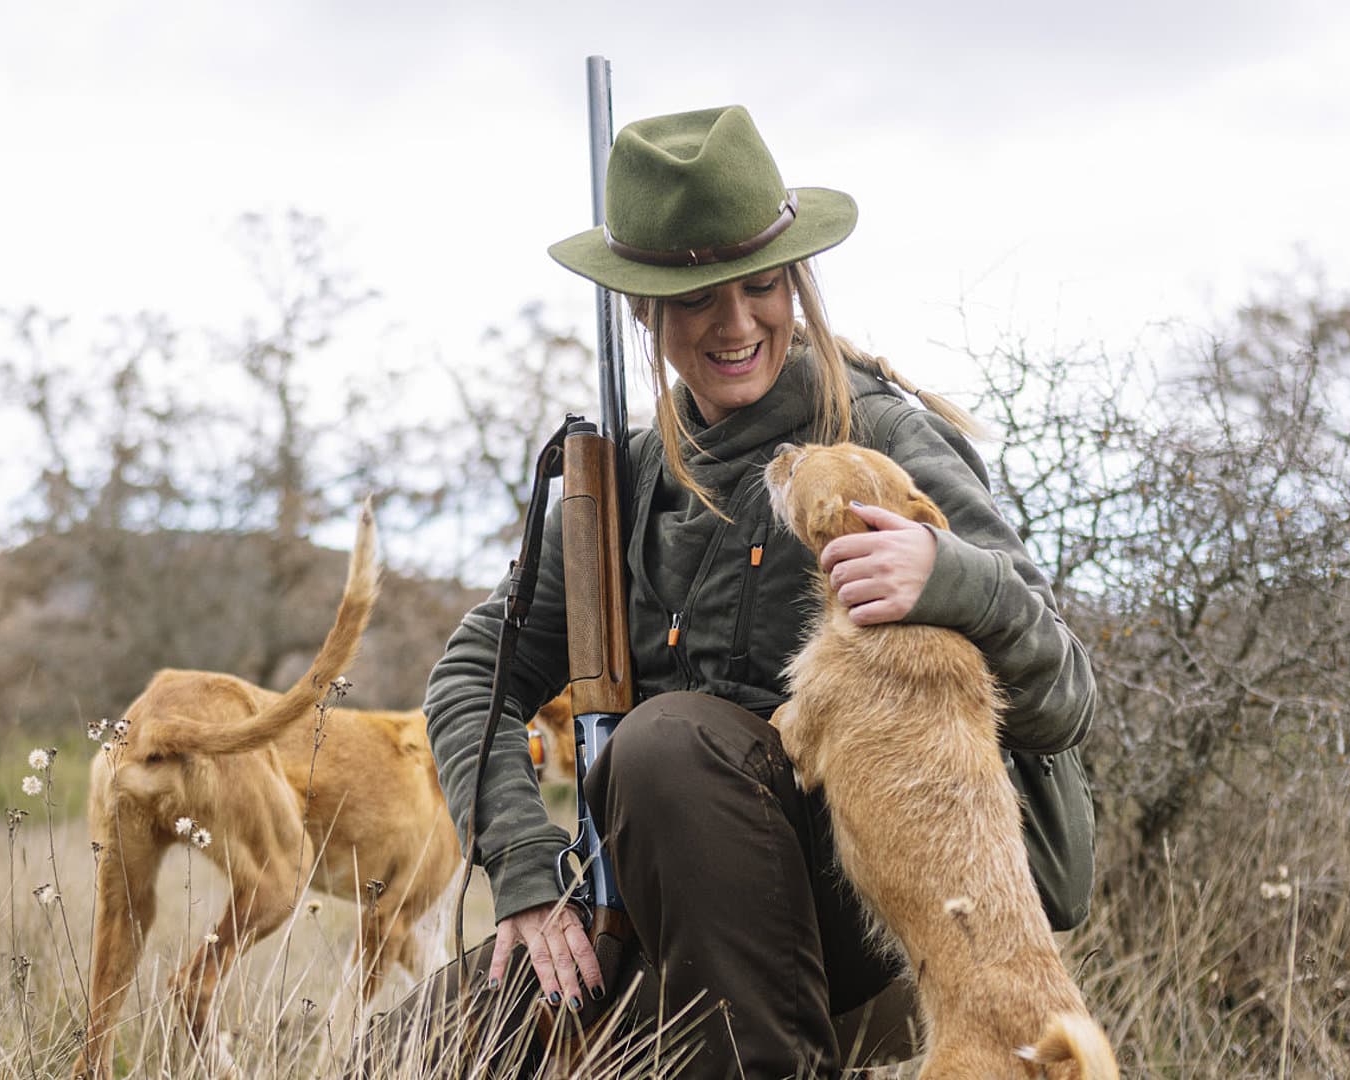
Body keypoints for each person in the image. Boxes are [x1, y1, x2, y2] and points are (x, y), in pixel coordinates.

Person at [422, 105, 1097, 1078]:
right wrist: (526, 868)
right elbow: (472, 677)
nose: (737, 324)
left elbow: (1064, 697)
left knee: (666, 746)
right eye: (697, 298)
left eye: (762, 285)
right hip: (680, 914)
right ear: (645, 311)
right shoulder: (628, 480)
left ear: (797, 281)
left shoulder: (878, 444)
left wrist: (950, 579)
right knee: (416, 1056)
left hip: (880, 926)